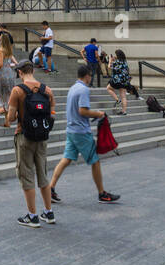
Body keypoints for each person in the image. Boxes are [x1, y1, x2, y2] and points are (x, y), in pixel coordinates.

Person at [47, 64, 119, 205]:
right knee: (95, 161)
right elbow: (83, 111)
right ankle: (102, 194)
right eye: (91, 75)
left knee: (66, 159)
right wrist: (99, 113)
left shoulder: (73, 88)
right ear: (87, 75)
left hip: (71, 130)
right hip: (81, 131)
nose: (91, 78)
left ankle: (50, 188)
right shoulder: (84, 90)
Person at [6, 60, 56, 227]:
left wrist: (6, 112)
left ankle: (32, 216)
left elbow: (11, 118)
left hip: (24, 137)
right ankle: (48, 213)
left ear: (20, 73)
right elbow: (52, 115)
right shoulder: (47, 90)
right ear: (32, 70)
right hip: (42, 138)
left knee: (26, 174)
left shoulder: (17, 91)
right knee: (43, 174)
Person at [106, 49, 135, 114]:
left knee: (108, 88)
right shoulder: (124, 62)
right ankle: (124, 111)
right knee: (123, 96)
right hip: (124, 81)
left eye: (115, 54)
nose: (114, 56)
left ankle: (117, 100)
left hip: (117, 81)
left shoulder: (117, 62)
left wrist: (110, 61)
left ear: (118, 55)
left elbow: (109, 67)